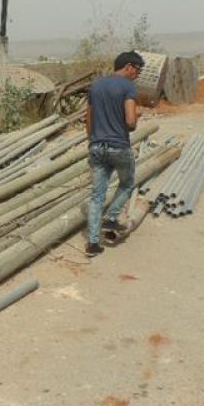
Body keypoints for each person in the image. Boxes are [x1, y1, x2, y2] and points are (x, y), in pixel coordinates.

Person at [84, 51, 144, 257]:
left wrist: (93, 141)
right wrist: (135, 117)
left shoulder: (96, 86)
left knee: (97, 196)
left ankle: (92, 244)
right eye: (137, 70)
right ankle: (111, 218)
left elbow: (88, 118)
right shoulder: (127, 87)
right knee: (127, 183)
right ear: (128, 66)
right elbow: (130, 122)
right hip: (118, 146)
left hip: (97, 146)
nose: (137, 74)